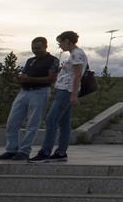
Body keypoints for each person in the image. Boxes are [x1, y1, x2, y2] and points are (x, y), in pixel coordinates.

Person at [0, 37, 59, 161]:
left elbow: (51, 79)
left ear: (46, 47)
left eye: (38, 48)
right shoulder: (30, 60)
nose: (35, 51)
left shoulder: (53, 60)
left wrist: (30, 79)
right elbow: (26, 75)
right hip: (24, 92)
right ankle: (11, 149)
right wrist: (19, 79)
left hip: (40, 92)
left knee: (33, 123)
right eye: (33, 48)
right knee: (12, 122)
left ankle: (24, 151)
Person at [30, 31, 88, 163]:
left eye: (60, 42)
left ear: (68, 41)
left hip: (66, 91)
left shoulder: (77, 54)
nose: (60, 46)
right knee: (64, 123)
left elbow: (77, 75)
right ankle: (61, 152)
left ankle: (45, 152)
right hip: (64, 90)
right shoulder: (75, 54)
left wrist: (73, 95)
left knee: (51, 120)